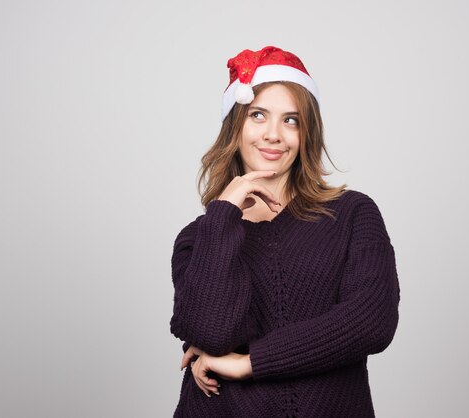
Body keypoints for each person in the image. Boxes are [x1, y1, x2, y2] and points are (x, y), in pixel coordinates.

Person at [169, 45, 400, 418]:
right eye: (258, 115)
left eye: (290, 120)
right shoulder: (200, 237)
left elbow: (371, 321)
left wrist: (249, 363)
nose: (273, 134)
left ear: (306, 133)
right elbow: (211, 332)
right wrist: (224, 212)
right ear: (235, 127)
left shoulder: (352, 213)